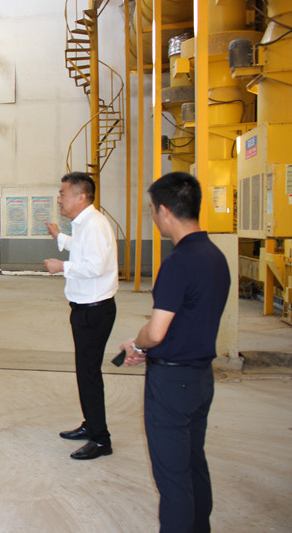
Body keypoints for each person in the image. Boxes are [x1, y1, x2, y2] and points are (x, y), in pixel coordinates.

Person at [120, 172, 229, 532]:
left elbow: (156, 331)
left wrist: (137, 345)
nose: (153, 216)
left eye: (152, 210)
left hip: (172, 384)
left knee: (173, 480)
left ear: (164, 211)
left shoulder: (178, 262)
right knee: (194, 463)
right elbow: (189, 321)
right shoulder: (215, 256)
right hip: (201, 379)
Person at [44, 171, 118, 460]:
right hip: (86, 309)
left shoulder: (95, 224)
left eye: (63, 194)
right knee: (86, 372)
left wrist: (62, 267)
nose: (59, 199)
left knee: (89, 375)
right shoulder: (85, 223)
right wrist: (59, 237)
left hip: (94, 311)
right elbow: (83, 249)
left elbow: (96, 266)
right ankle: (91, 424)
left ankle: (101, 440)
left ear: (81, 196)